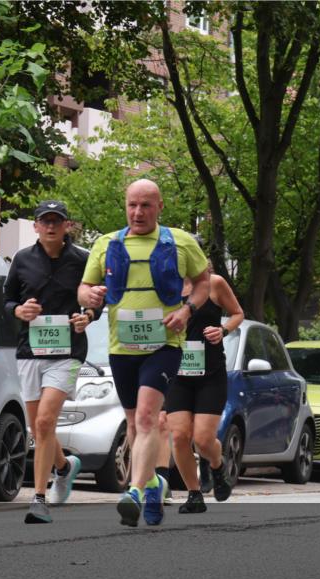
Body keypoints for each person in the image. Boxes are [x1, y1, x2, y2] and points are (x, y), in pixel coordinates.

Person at [78, 179, 209, 527]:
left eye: (146, 205)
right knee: (136, 425)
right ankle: (153, 484)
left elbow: (204, 282)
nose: (138, 212)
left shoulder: (179, 241)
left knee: (149, 418)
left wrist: (186, 311)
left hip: (164, 344)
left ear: (160, 206)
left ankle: (133, 491)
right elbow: (85, 287)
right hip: (122, 346)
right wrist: (88, 297)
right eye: (132, 205)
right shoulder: (107, 243)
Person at [3, 200, 93, 524]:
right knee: (39, 426)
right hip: (30, 350)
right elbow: (7, 298)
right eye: (45, 221)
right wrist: (18, 310)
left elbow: (99, 296)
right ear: (36, 226)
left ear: (67, 225)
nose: (51, 226)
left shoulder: (83, 260)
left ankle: (38, 498)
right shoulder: (23, 259)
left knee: (44, 423)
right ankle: (65, 468)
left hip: (67, 352)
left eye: (57, 221)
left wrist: (89, 316)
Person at [164, 261, 244, 513]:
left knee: (203, 439)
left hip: (210, 372)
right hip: (177, 372)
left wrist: (222, 329)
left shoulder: (215, 283)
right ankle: (194, 494)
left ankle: (217, 466)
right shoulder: (166, 285)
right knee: (179, 436)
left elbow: (238, 314)